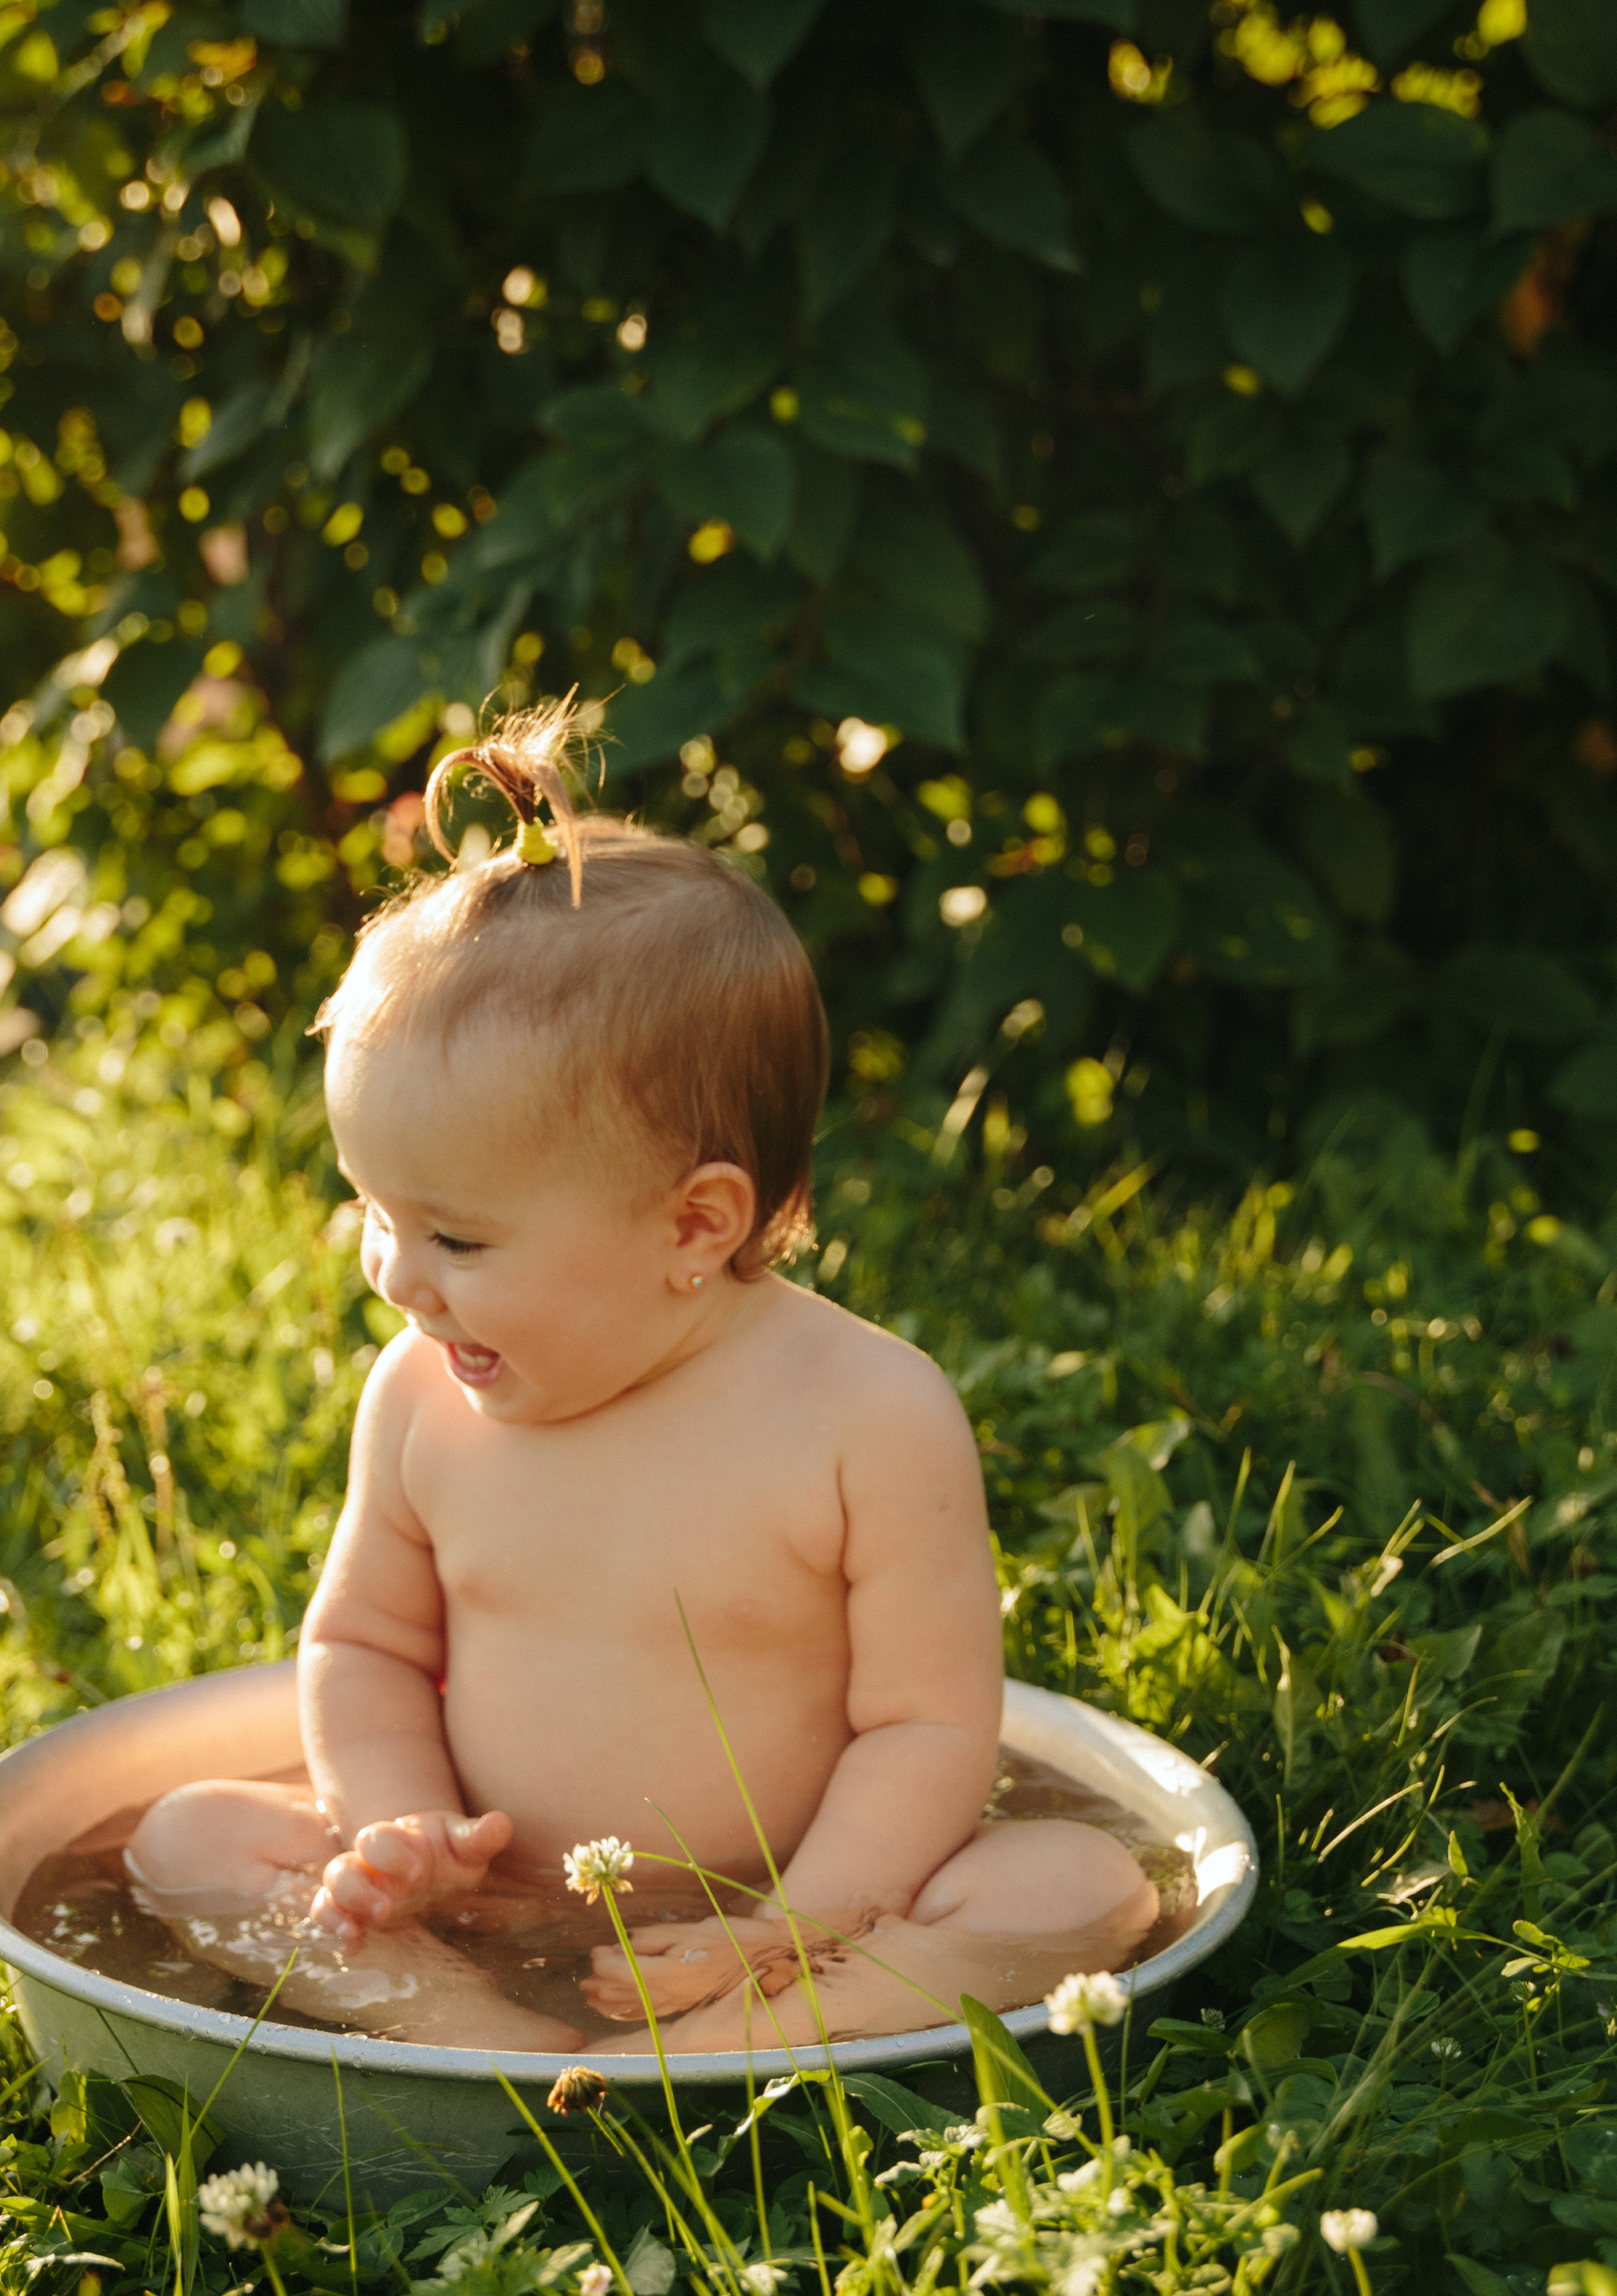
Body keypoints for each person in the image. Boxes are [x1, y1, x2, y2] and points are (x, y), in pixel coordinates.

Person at [125, 699, 1157, 2054]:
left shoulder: (864, 1417)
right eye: (375, 1211)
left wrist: (799, 1923)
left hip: (788, 1908)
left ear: (693, 1226)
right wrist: (400, 1830)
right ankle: (483, 2032)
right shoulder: (424, 1399)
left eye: (456, 1236)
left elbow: (925, 1727)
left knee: (1081, 1883)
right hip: (492, 1896)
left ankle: (760, 2030)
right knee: (191, 1833)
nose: (395, 1276)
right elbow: (364, 1646)